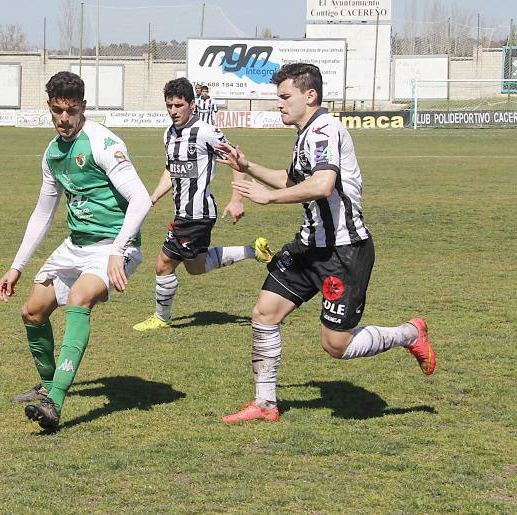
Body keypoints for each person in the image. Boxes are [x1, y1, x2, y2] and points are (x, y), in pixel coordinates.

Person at [216, 63, 436, 423]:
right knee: (264, 314)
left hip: (344, 251)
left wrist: (267, 199)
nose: (279, 104)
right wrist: (248, 164)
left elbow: (322, 185)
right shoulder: (306, 134)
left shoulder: (323, 130)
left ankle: (409, 333)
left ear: (310, 95)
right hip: (309, 248)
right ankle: (266, 404)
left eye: (285, 97)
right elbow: (291, 179)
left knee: (336, 345)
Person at [0, 71, 152, 430]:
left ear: (83, 106)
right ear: (49, 108)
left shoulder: (102, 143)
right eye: (57, 111)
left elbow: (141, 198)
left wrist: (118, 250)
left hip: (114, 246)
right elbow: (43, 213)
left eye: (71, 110)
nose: (64, 119)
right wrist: (16, 266)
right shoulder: (52, 154)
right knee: (33, 311)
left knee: (80, 299)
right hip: (76, 245)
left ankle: (55, 402)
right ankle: (49, 385)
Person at [132, 77, 271, 332]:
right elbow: (170, 171)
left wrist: (237, 198)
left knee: (163, 264)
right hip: (184, 212)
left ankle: (162, 317)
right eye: (169, 105)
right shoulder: (169, 134)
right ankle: (253, 251)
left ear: (192, 105)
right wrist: (153, 197)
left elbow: (236, 159)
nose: (173, 111)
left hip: (195, 214)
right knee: (196, 267)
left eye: (178, 105)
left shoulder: (205, 131)